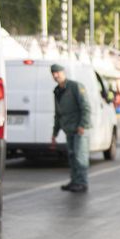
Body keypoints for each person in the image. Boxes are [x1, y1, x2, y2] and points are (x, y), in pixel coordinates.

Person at [48, 63, 92, 193]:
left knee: (80, 157)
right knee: (72, 156)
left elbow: (86, 107)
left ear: (64, 73)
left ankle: (82, 183)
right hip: (69, 128)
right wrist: (54, 133)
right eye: (53, 73)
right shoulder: (57, 91)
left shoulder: (75, 87)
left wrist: (83, 125)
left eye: (58, 73)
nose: (56, 75)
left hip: (79, 129)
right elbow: (58, 114)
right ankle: (74, 181)